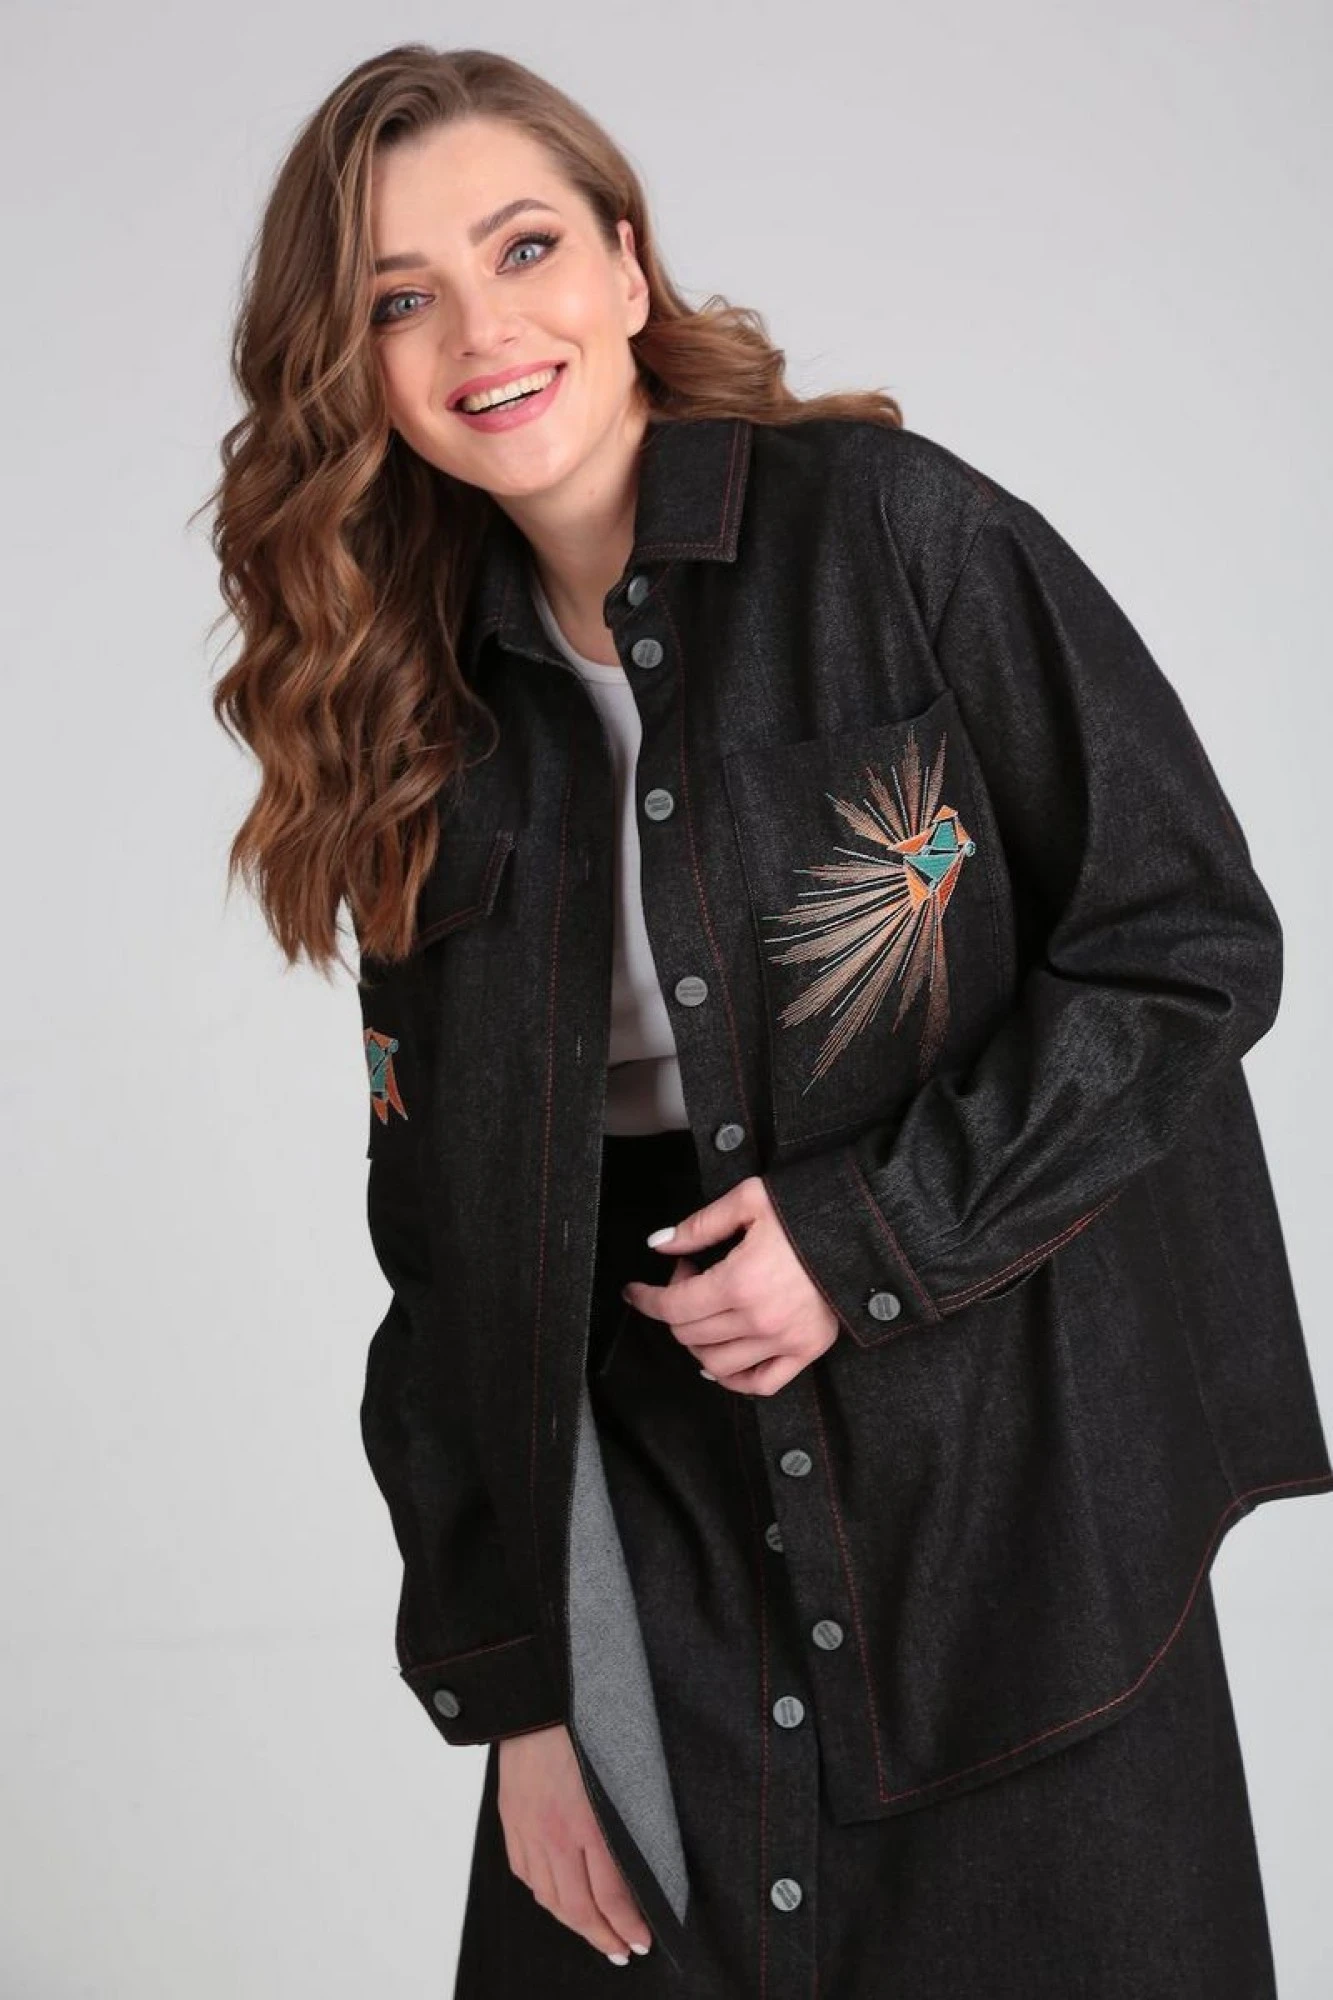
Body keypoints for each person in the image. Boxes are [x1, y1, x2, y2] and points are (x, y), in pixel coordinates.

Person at [206, 42, 1333, 2000]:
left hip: (1009, 1531)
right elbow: (446, 1256)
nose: (481, 330)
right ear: (355, 366)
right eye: (399, 299)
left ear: (627, 264)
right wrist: (524, 1694)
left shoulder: (893, 536)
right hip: (643, 1563)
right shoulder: (415, 722)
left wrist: (864, 1235)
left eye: (524, 247)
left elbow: (1186, 940)